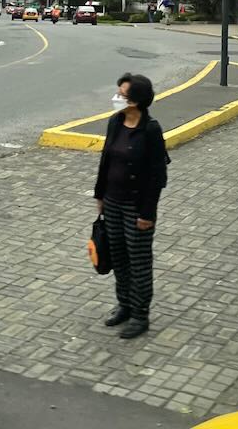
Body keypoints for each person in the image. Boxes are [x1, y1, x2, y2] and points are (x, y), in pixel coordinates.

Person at [93, 73, 166, 339]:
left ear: (136, 101)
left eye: (121, 95)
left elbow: (158, 176)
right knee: (119, 258)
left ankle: (140, 315)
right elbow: (106, 161)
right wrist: (100, 196)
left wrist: (148, 213)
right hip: (112, 202)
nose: (116, 98)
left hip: (137, 208)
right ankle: (123, 305)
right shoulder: (115, 122)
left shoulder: (150, 130)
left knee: (139, 262)